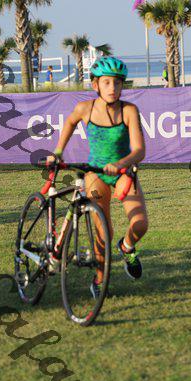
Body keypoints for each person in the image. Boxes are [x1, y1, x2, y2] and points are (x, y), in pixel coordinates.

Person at [49, 57, 148, 299]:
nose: (112, 88)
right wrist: (58, 152)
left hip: (123, 173)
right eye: (106, 82)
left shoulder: (129, 111)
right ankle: (100, 280)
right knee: (104, 231)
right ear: (96, 85)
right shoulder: (85, 108)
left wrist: (120, 164)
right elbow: (70, 123)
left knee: (140, 224)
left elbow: (139, 150)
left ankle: (127, 248)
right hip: (96, 174)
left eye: (117, 83)